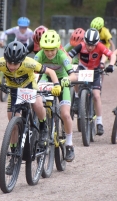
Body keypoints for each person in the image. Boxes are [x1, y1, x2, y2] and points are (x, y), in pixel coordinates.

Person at [0, 41, 61, 174]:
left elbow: (50, 71)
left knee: (38, 103)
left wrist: (57, 85)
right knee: (13, 123)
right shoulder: (1, 63)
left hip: (29, 87)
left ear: (22, 60)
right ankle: (13, 156)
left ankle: (43, 126)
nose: (11, 66)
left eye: (15, 63)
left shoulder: (30, 63)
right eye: (9, 62)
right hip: (14, 91)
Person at [34, 30, 77, 162]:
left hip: (63, 80)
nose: (50, 53)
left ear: (57, 47)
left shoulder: (62, 56)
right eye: (46, 50)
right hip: (46, 80)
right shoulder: (39, 55)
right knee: (38, 102)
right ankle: (42, 129)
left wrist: (67, 80)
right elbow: (32, 71)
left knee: (65, 114)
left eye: (52, 50)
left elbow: (73, 75)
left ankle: (69, 144)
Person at [68, 28, 117, 136]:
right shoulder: (81, 45)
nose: (90, 47)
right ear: (84, 41)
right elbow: (69, 55)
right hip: (83, 68)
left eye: (92, 45)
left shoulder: (100, 46)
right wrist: (69, 66)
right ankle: (76, 97)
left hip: (95, 71)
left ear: (97, 43)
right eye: (88, 44)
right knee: (74, 78)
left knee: (96, 95)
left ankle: (99, 122)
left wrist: (111, 65)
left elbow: (112, 55)